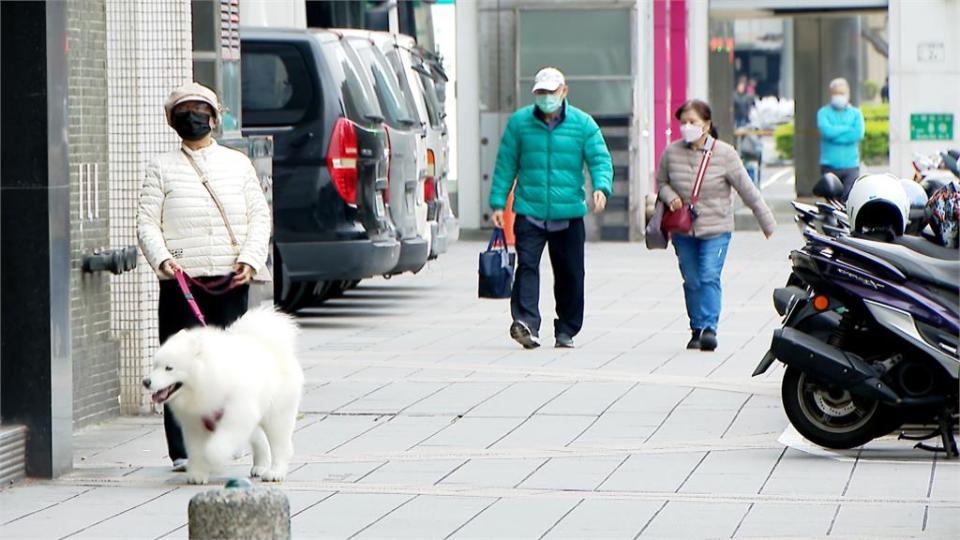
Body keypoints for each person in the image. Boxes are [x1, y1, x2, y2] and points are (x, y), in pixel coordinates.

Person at [137, 82, 271, 471]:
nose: (192, 117)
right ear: (173, 122)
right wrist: (163, 260)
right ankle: (182, 450)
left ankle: (230, 436)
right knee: (177, 366)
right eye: (183, 112)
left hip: (231, 279)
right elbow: (147, 221)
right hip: (182, 283)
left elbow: (259, 215)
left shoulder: (236, 164)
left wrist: (249, 257)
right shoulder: (160, 168)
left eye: (199, 110)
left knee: (230, 366)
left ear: (214, 118)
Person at [490, 67, 613, 350]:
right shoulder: (519, 123)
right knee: (527, 267)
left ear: (564, 92)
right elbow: (505, 164)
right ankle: (526, 323)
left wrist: (601, 186)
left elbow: (600, 159)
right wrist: (498, 201)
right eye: (541, 93)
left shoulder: (583, 124)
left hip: (568, 212)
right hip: (529, 210)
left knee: (571, 273)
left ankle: (567, 328)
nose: (546, 97)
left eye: (551, 92)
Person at [657, 100, 775, 351]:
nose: (687, 127)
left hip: (717, 228)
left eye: (693, 122)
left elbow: (747, 189)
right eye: (684, 122)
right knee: (692, 279)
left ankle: (710, 327)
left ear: (707, 125)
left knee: (709, 275)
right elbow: (661, 182)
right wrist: (670, 197)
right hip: (683, 228)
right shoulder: (671, 152)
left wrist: (766, 221)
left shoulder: (725, 154)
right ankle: (696, 327)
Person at [817, 78, 865, 201]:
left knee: (849, 200)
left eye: (842, 93)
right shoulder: (823, 113)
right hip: (829, 165)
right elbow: (827, 132)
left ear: (848, 95)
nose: (839, 96)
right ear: (831, 95)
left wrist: (836, 132)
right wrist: (847, 129)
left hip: (851, 166)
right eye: (836, 93)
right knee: (831, 203)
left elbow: (858, 134)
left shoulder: (856, 113)